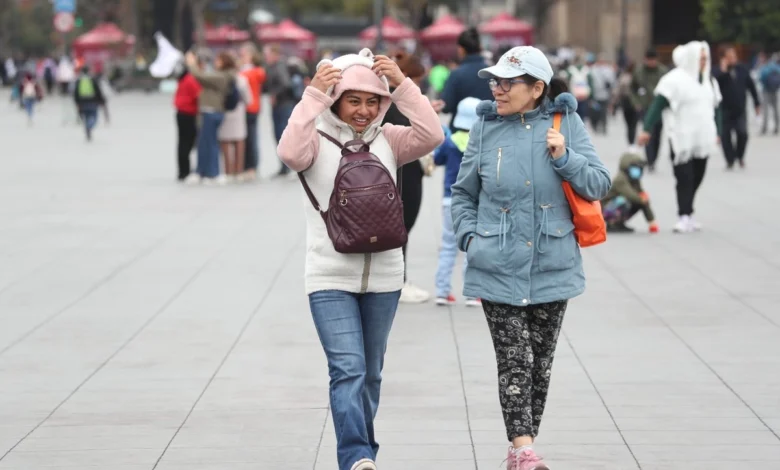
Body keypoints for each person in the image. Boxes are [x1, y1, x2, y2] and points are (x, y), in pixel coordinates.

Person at [276, 48, 443, 470]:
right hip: (329, 276)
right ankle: (357, 456)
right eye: (353, 100)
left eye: (372, 101)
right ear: (336, 100)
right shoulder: (314, 140)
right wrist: (313, 95)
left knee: (370, 374)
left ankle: (363, 452)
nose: (364, 110)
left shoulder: (390, 139)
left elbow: (432, 135)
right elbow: (289, 152)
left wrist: (402, 85)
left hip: (385, 277)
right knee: (347, 369)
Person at [451, 46, 610, 470]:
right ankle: (523, 449)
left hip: (552, 262)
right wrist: (470, 238)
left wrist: (565, 158)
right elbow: (463, 194)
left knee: (540, 363)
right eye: (495, 81)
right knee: (515, 359)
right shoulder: (484, 127)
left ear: (537, 88)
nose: (497, 89)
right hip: (496, 262)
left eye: (508, 82)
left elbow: (599, 184)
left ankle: (521, 449)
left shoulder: (566, 122)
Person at [639, 41, 722, 233]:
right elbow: (658, 104)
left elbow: (716, 108)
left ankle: (689, 212)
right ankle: (683, 215)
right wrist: (646, 128)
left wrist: (718, 131)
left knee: (698, 175)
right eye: (701, 58)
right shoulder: (674, 79)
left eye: (705, 58)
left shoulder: (709, 80)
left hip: (703, 137)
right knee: (684, 176)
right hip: (681, 137)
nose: (704, 62)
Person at [381, 52, 431, 304]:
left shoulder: (393, 101)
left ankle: (398, 280)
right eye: (417, 80)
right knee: (401, 226)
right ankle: (397, 281)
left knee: (401, 228)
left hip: (405, 170)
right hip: (403, 172)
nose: (419, 85)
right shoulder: (392, 101)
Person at [433, 97, 481, 307]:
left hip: (449, 200)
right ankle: (472, 293)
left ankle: (442, 292)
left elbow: (436, 160)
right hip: (473, 202)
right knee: (473, 247)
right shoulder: (480, 143)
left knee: (448, 247)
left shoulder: (449, 142)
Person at [185, 50, 233, 185]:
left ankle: (213, 173)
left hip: (213, 112)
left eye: (218, 60)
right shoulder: (221, 74)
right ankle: (201, 171)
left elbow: (200, 76)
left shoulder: (223, 76)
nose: (215, 62)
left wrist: (192, 63)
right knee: (203, 143)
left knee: (211, 143)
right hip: (208, 112)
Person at [434, 28, 494, 131]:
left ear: (461, 49)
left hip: (461, 130)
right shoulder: (491, 72)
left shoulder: (456, 74)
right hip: (488, 128)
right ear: (480, 47)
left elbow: (447, 106)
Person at [713, 44, 760, 169]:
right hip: (724, 110)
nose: (733, 59)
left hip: (740, 109)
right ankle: (730, 160)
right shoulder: (717, 72)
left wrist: (756, 103)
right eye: (729, 57)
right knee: (725, 137)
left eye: (734, 56)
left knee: (743, 133)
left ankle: (740, 156)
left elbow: (751, 86)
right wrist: (723, 71)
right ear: (723, 58)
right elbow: (714, 87)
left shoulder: (742, 69)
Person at [601, 148, 658, 233]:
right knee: (625, 201)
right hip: (605, 209)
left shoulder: (635, 181)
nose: (638, 170)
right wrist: (642, 199)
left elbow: (642, 197)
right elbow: (632, 196)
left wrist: (652, 222)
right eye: (635, 167)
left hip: (615, 207)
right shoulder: (620, 179)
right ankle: (612, 223)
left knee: (638, 201)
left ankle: (620, 223)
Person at [629, 48, 667, 171]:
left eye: (653, 60)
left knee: (657, 134)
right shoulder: (639, 71)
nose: (651, 62)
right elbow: (632, 89)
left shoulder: (663, 71)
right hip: (645, 107)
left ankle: (654, 158)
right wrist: (636, 103)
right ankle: (650, 159)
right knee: (648, 132)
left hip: (659, 108)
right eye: (649, 60)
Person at [218, 54, 252, 182]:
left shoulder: (220, 77)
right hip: (238, 113)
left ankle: (228, 171)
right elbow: (248, 99)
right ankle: (238, 171)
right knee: (239, 142)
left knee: (225, 142)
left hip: (224, 113)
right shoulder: (241, 79)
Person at [265, 44, 296, 177]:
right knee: (279, 135)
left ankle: (287, 166)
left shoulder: (279, 67)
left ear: (274, 55)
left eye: (267, 54)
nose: (266, 57)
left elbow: (286, 84)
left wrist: (275, 95)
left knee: (282, 134)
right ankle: (284, 166)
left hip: (283, 105)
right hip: (281, 105)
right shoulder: (274, 66)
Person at [240, 43, 266, 181]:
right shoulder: (251, 70)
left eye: (244, 54)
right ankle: (248, 166)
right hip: (249, 106)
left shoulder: (253, 71)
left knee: (251, 138)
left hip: (250, 107)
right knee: (247, 138)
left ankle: (252, 167)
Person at [174, 64, 202, 181]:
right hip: (189, 113)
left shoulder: (182, 80)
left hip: (181, 112)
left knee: (182, 142)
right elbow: (198, 95)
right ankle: (185, 171)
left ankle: (182, 171)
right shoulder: (190, 80)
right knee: (187, 142)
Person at [73, 66, 105, 142]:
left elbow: (76, 93)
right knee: (93, 117)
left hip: (82, 102)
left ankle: (87, 127)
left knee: (86, 117)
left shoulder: (79, 81)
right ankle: (89, 126)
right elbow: (98, 91)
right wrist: (101, 100)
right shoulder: (92, 80)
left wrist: (77, 102)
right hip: (92, 101)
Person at [589, 53, 615, 134]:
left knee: (604, 111)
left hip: (605, 95)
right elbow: (589, 81)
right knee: (595, 111)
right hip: (595, 95)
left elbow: (612, 81)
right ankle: (595, 125)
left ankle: (604, 125)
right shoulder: (592, 69)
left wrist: (609, 85)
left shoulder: (608, 70)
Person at [615, 62, 640, 144]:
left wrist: (614, 101)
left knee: (629, 124)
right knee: (633, 124)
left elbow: (618, 90)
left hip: (627, 101)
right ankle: (631, 141)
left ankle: (630, 141)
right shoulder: (634, 77)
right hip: (631, 102)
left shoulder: (624, 77)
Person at [567, 54, 593, 123]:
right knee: (583, 114)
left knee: (574, 114)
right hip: (584, 96)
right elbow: (591, 84)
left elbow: (566, 84)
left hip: (573, 96)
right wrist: (591, 96)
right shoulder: (587, 70)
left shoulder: (570, 70)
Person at [758, 53, 780, 135]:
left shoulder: (765, 67)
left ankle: (764, 128)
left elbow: (761, 78)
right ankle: (776, 127)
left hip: (766, 90)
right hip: (774, 90)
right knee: (775, 110)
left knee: (766, 110)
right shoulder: (776, 67)